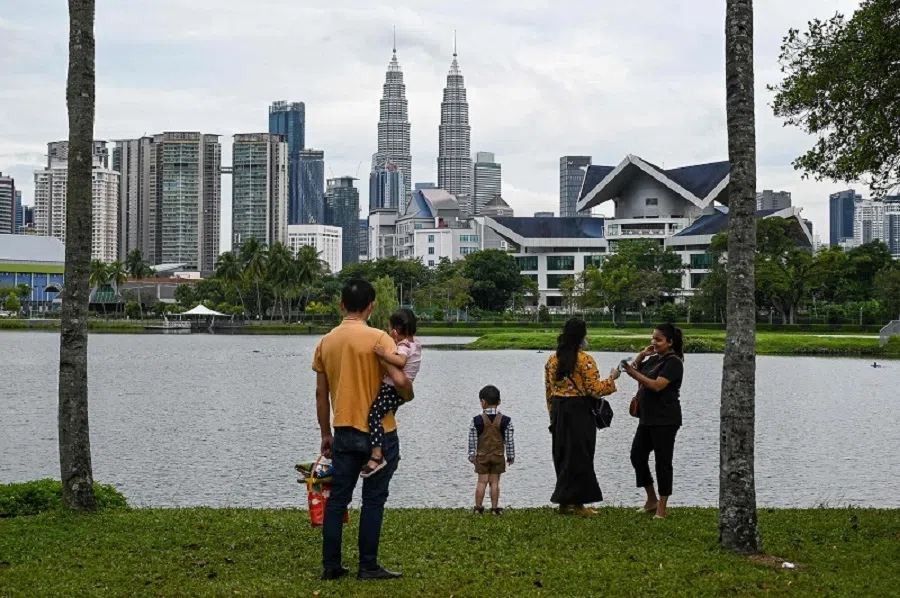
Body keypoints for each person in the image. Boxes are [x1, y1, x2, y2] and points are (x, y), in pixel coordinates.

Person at [313, 279, 413, 581]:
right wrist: (408, 392)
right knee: (373, 500)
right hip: (380, 433)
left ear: (341, 305)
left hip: (342, 430)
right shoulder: (380, 339)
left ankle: (331, 566)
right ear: (371, 307)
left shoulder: (326, 342)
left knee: (338, 500)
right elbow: (401, 385)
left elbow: (321, 394)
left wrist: (325, 434)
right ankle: (367, 565)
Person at [544, 318, 620, 517]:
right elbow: (595, 390)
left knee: (562, 455)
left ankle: (564, 502)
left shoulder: (553, 359)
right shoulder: (585, 360)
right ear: (581, 337)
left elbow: (548, 390)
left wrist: (552, 415)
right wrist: (612, 378)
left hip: (560, 410)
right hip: (579, 411)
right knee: (581, 456)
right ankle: (578, 505)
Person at [623, 323, 685, 520]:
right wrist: (641, 355)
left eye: (658, 340)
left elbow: (657, 386)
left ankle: (662, 508)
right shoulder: (654, 359)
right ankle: (651, 499)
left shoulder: (674, 362)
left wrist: (634, 375)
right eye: (653, 338)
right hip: (647, 418)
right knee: (637, 456)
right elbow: (636, 368)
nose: (654, 343)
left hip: (665, 419)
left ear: (670, 342)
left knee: (662, 462)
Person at [362, 308, 423, 477]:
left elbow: (401, 361)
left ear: (395, 331)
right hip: (399, 391)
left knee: (374, 415)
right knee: (386, 416)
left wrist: (384, 355)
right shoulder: (416, 343)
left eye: (390, 329)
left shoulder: (403, 346)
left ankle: (376, 455)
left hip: (391, 389)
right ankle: (389, 449)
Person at [467, 385, 515, 515]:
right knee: (495, 482)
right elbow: (509, 440)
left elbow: (472, 439)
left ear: (483, 402)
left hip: (481, 455)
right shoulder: (506, 421)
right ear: (499, 402)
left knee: (481, 481)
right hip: (498, 455)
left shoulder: (476, 420)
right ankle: (494, 508)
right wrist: (510, 456)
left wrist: (472, 455)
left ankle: (478, 507)